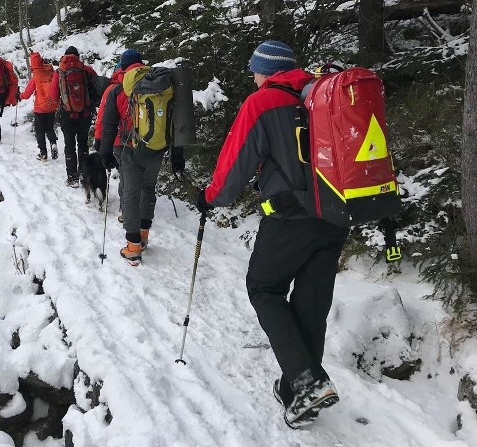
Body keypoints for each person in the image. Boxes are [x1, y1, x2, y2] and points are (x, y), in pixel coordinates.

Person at [196, 39, 346, 428]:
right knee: (312, 302)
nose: (253, 76)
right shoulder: (322, 96)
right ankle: (298, 388)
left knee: (264, 288)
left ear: (267, 70)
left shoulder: (263, 103)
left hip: (291, 218)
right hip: (336, 216)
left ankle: (306, 379)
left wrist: (211, 198)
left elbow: (235, 165)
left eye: (255, 69)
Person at [99, 49, 184, 264]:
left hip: (129, 149)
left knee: (130, 194)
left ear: (122, 67)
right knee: (148, 189)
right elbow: (177, 120)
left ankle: (133, 246)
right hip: (156, 148)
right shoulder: (162, 85)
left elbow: (108, 125)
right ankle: (144, 236)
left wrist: (105, 152)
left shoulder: (117, 90)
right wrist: (177, 153)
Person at [49, 46, 97, 187]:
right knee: (82, 143)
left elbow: (53, 96)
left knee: (69, 145)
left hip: (67, 114)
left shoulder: (59, 72)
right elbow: (97, 87)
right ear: (78, 57)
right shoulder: (87, 70)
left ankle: (72, 178)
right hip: (85, 114)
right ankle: (84, 173)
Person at [94, 58, 126, 221]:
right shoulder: (145, 85)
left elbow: (103, 118)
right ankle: (142, 207)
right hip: (144, 141)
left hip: (119, 140)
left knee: (125, 175)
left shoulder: (113, 89)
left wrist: (99, 138)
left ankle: (125, 209)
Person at [21, 52, 59, 161]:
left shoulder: (36, 76)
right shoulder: (51, 72)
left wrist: (20, 96)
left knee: (40, 131)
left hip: (40, 108)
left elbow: (27, 93)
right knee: (49, 128)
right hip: (52, 106)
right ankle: (53, 142)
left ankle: (43, 153)